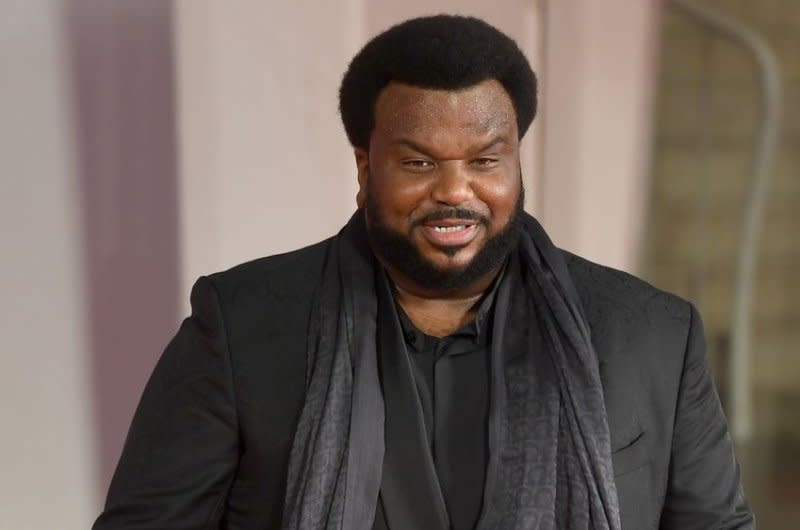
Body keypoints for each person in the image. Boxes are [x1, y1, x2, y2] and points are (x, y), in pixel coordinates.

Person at [93, 14, 754, 530]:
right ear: (364, 169)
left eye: (485, 161)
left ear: (517, 164)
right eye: (419, 163)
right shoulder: (239, 327)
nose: (454, 191)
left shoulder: (655, 336)